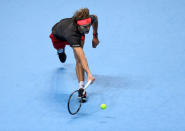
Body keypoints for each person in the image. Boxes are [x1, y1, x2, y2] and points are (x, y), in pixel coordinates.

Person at [49, 8, 99, 99]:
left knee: (78, 59)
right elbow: (82, 56)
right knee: (63, 55)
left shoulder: (86, 23)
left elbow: (95, 18)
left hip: (78, 35)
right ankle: (60, 51)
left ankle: (81, 88)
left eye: (88, 26)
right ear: (77, 25)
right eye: (85, 27)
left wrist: (95, 36)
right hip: (58, 37)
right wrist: (89, 74)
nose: (87, 29)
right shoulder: (71, 34)